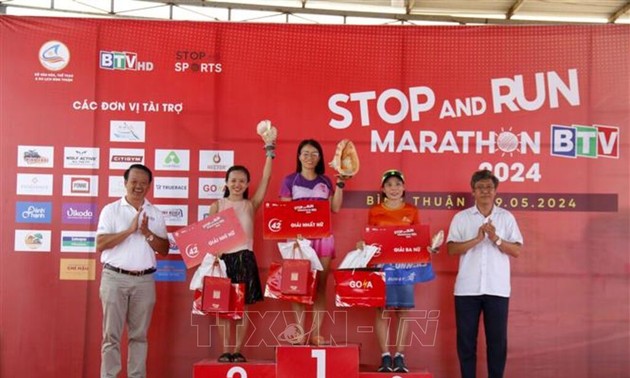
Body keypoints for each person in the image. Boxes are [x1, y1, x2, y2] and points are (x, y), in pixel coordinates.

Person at [447, 169, 523, 378]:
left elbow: (516, 250)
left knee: (497, 344)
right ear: (473, 192)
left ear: (495, 191)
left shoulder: (506, 217)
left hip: (497, 289)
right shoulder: (461, 218)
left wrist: (495, 238)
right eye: (480, 188)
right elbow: (451, 249)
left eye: (489, 187)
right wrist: (477, 239)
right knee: (466, 344)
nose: (485, 192)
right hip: (466, 290)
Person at [96, 164, 169, 378]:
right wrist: (130, 230)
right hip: (114, 278)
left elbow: (164, 249)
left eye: (143, 183)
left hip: (144, 281)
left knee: (139, 336)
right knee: (111, 336)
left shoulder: (155, 213)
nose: (138, 186)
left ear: (149, 186)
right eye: (134, 182)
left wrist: (146, 232)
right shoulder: (111, 210)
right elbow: (100, 243)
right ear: (125, 183)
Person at [208, 146, 273, 363]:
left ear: (247, 184)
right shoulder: (216, 205)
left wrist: (269, 153)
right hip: (222, 261)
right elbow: (208, 237)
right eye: (233, 180)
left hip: (245, 259)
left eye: (242, 181)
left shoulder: (250, 205)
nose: (237, 184)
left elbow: (266, 178)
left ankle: (237, 350)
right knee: (222, 306)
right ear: (226, 183)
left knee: (243, 307)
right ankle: (225, 350)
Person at [279, 139, 346, 345]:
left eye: (314, 154)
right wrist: (296, 235)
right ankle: (299, 333)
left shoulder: (326, 181)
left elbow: (334, 208)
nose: (309, 157)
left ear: (320, 158)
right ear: (299, 157)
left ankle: (316, 333)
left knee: (320, 286)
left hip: (323, 239)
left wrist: (341, 183)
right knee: (297, 286)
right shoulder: (290, 180)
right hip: (299, 241)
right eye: (305, 153)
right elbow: (285, 212)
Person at [368, 169, 436, 373]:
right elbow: (371, 237)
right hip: (383, 267)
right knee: (382, 311)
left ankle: (399, 356)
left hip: (405, 268)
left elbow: (418, 238)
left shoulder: (412, 211)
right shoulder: (374, 211)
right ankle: (385, 356)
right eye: (389, 184)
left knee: (403, 311)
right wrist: (364, 243)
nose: (394, 188)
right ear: (383, 189)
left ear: (404, 187)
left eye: (398, 184)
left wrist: (429, 247)